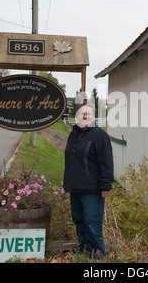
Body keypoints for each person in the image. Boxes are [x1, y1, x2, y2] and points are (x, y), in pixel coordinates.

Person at [63, 103, 114, 259]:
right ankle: (85, 254)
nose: (85, 116)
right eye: (81, 113)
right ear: (77, 116)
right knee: (79, 222)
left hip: (92, 190)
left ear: (93, 117)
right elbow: (71, 160)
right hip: (75, 189)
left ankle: (98, 259)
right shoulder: (73, 134)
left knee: (92, 225)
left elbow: (106, 162)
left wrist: (106, 185)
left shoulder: (99, 135)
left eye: (88, 114)